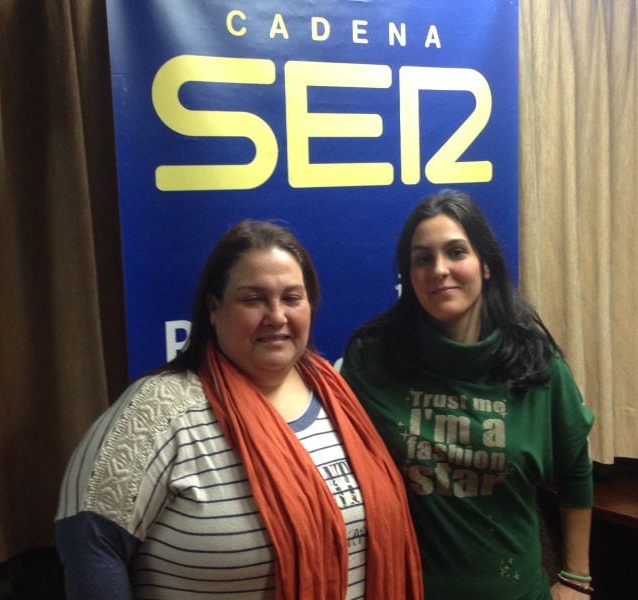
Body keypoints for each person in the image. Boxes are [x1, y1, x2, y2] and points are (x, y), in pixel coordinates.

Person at [55, 220, 423, 600]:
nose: (277, 316)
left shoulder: (338, 393)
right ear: (213, 308)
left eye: (292, 298)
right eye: (254, 299)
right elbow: (90, 542)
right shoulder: (157, 410)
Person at [340, 190, 594, 600]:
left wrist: (576, 578)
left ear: (486, 265)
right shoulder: (372, 359)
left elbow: (575, 469)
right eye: (423, 258)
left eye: (456, 252)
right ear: (409, 273)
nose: (439, 269)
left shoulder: (536, 364)